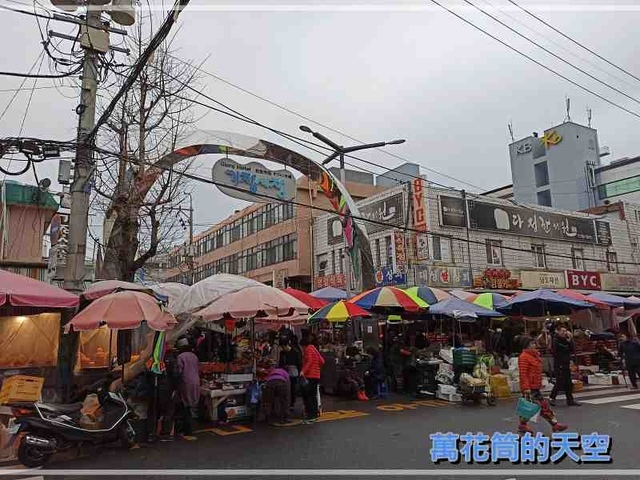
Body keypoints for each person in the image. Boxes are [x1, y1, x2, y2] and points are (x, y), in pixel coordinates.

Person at [518, 335, 567, 434]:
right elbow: (523, 373)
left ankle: (523, 425)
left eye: (534, 343)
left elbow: (537, 371)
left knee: (534, 407)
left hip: (535, 386)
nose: (534, 345)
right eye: (532, 343)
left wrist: (541, 381)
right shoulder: (523, 357)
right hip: (529, 387)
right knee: (533, 407)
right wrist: (526, 387)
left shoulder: (535, 355)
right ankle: (554, 424)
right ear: (526, 345)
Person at [175, 337, 200, 439]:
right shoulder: (194, 356)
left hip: (186, 382)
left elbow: (179, 371)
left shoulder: (180, 357)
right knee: (191, 405)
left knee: (185, 406)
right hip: (196, 381)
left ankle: (187, 430)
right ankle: (191, 428)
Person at [549, 326, 580, 407]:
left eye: (565, 331)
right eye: (562, 331)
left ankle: (570, 400)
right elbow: (558, 350)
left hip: (566, 363)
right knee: (560, 382)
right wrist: (567, 343)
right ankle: (552, 397)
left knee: (568, 382)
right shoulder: (555, 340)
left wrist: (570, 340)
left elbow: (572, 349)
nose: (564, 332)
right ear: (558, 331)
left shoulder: (567, 340)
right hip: (559, 364)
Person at [300, 334, 325, 423]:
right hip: (316, 376)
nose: (302, 349)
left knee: (308, 396)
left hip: (309, 376)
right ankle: (314, 413)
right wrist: (317, 369)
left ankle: (311, 414)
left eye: (302, 347)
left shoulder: (308, 349)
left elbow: (309, 361)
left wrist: (303, 371)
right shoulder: (314, 348)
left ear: (303, 345)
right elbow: (322, 361)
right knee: (313, 395)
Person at [262, 361, 291, 425]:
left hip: (270, 383)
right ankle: (284, 418)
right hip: (281, 383)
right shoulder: (285, 372)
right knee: (284, 401)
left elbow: (267, 379)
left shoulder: (273, 371)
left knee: (269, 401)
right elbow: (288, 385)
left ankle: (267, 418)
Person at [279, 336, 303, 410]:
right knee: (285, 389)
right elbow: (280, 363)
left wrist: (299, 373)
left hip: (294, 374)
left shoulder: (295, 352)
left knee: (293, 389)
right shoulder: (282, 353)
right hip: (284, 373)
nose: (282, 349)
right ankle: (285, 403)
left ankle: (292, 403)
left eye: (283, 347)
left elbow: (299, 364)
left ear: (286, 345)